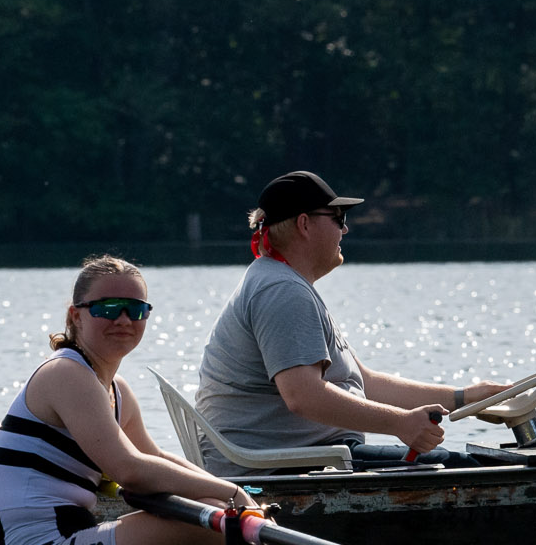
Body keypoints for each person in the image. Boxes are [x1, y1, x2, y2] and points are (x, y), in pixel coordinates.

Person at [0, 256, 299, 545]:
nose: (123, 319)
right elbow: (129, 469)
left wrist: (231, 495)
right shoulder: (66, 374)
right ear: (76, 315)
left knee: (222, 513)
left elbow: (154, 457)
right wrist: (233, 495)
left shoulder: (116, 390)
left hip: (70, 543)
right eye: (107, 308)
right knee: (216, 521)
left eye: (135, 310)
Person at [192, 169, 509, 477]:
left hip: (303, 458)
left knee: (472, 465)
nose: (345, 230)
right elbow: (303, 396)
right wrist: (400, 423)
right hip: (277, 472)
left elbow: (364, 382)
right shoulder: (282, 291)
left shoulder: (285, 284)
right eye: (338, 218)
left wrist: (464, 396)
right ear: (304, 224)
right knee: (472, 470)